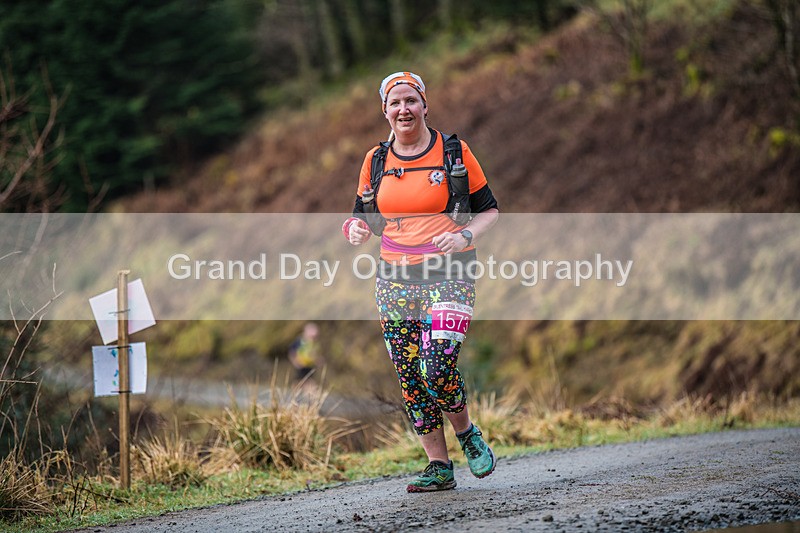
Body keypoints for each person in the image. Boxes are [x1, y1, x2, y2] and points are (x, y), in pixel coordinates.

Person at [342, 71, 500, 492]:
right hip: (394, 277)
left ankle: (466, 433)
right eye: (395, 103)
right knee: (410, 375)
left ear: (425, 105)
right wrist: (355, 228)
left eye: (411, 100)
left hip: (450, 271)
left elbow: (489, 211)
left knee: (438, 364)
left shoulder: (453, 151)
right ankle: (438, 466)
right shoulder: (376, 160)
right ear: (385, 111)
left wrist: (464, 235)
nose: (403, 109)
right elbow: (366, 217)